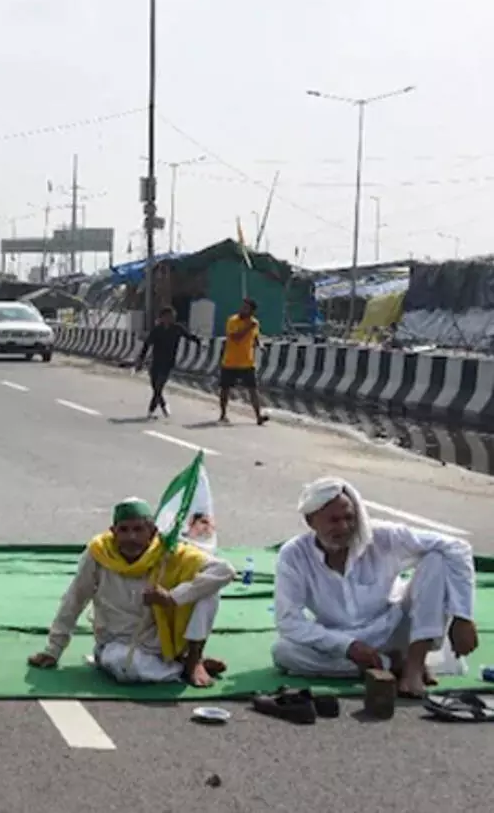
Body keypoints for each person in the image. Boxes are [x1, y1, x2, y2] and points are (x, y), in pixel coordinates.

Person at [272, 477, 478, 698]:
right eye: (333, 520)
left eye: (349, 518)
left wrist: (462, 616)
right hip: (340, 640)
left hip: (394, 628)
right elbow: (289, 621)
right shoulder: (293, 555)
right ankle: (392, 665)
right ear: (311, 521)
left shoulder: (382, 537)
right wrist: (348, 646)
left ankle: (414, 667)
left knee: (436, 559)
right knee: (284, 652)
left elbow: (458, 547)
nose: (344, 527)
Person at [28, 498, 235, 687]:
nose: (131, 538)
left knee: (208, 591)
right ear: (113, 531)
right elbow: (74, 599)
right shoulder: (99, 554)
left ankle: (193, 659)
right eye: (124, 530)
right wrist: (53, 650)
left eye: (138, 530)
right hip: (118, 644)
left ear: (153, 531)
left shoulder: (168, 552)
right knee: (125, 667)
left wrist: (173, 597)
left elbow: (225, 571)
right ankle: (183, 667)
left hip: (162, 642)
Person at [134, 306, 201, 419]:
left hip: (168, 362)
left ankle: (151, 411)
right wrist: (141, 359)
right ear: (161, 318)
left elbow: (189, 336)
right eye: (167, 316)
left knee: (159, 387)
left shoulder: (177, 328)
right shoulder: (157, 330)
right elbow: (147, 345)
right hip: (155, 361)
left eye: (172, 316)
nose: (170, 318)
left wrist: (199, 341)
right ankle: (164, 405)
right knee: (155, 387)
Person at [219, 298, 267, 425]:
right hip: (230, 361)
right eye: (242, 307)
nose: (242, 309)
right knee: (225, 389)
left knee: (253, 389)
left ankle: (258, 416)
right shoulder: (233, 320)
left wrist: (260, 345)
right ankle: (223, 414)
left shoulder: (254, 323)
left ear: (252, 311)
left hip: (247, 362)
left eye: (246, 308)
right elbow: (235, 337)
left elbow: (255, 336)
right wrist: (247, 328)